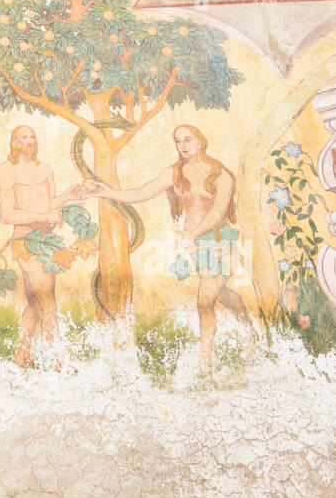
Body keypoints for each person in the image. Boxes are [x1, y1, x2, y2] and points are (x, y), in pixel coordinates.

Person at [86, 124, 256, 368]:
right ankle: (250, 330)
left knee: (205, 299)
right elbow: (141, 193)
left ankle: (205, 358)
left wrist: (193, 233)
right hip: (196, 245)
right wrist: (107, 192)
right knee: (222, 293)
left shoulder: (220, 174)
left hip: (220, 242)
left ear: (200, 141)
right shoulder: (175, 174)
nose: (183, 145)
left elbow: (218, 213)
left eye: (188, 139)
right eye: (178, 141)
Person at [0, 124, 87, 366]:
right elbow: (6, 215)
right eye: (23, 137)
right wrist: (43, 218)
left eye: (32, 136)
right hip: (26, 242)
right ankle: (59, 361)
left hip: (48, 241)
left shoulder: (45, 168)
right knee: (49, 303)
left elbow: (47, 205)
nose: (29, 141)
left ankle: (21, 358)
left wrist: (67, 197)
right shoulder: (7, 170)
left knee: (35, 304)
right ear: (15, 142)